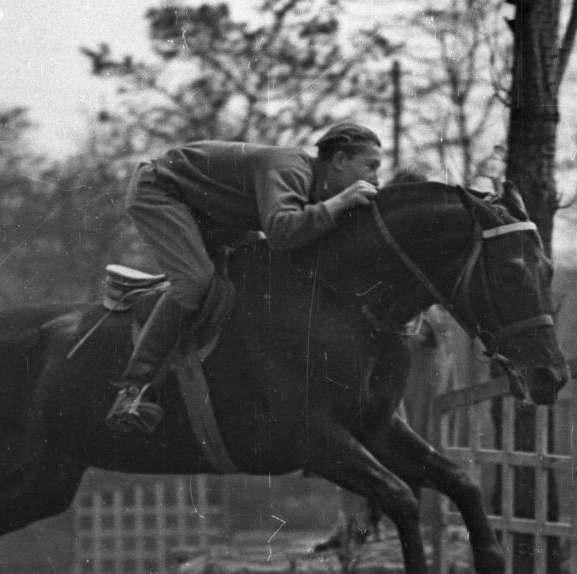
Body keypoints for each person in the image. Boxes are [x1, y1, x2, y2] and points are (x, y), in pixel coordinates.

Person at [106, 121, 382, 434]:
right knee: (195, 282)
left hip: (206, 209)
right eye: (371, 166)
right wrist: (341, 202)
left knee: (254, 276)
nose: (375, 177)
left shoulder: (315, 189)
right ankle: (133, 388)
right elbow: (281, 231)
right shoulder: (290, 167)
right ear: (341, 161)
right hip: (160, 191)